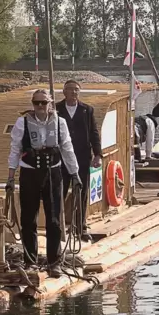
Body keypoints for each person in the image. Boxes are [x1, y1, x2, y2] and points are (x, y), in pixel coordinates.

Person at [6, 89, 80, 277]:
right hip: (29, 173)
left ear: (50, 103)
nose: (40, 106)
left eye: (43, 103)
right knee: (28, 219)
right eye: (36, 103)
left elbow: (67, 149)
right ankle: (30, 260)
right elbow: (15, 149)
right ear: (32, 104)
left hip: (53, 173)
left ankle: (54, 261)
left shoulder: (59, 122)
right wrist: (10, 177)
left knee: (54, 219)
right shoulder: (22, 123)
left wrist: (75, 174)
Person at [55, 80, 102, 240]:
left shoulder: (87, 110)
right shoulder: (56, 109)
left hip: (81, 157)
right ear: (64, 92)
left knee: (81, 192)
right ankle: (58, 227)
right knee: (59, 192)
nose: (73, 93)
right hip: (61, 158)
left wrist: (98, 154)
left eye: (76, 90)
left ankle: (80, 227)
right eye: (70, 90)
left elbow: (94, 132)